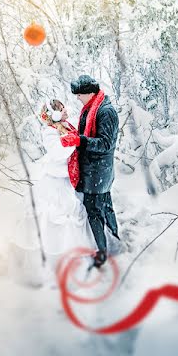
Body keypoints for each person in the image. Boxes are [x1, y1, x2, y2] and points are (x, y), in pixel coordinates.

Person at [9, 99, 94, 287]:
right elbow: (58, 153)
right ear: (53, 114)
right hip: (54, 185)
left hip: (67, 183)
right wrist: (72, 141)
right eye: (61, 110)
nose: (65, 112)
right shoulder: (49, 131)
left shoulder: (65, 126)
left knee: (69, 225)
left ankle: (71, 267)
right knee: (53, 224)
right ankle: (48, 269)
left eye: (64, 108)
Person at [61, 74, 120, 268]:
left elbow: (105, 143)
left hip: (98, 171)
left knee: (95, 210)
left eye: (79, 94)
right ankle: (114, 239)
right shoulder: (91, 108)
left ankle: (102, 252)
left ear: (90, 93)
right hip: (94, 170)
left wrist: (80, 141)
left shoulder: (106, 112)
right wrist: (75, 135)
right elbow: (87, 135)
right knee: (104, 206)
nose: (77, 98)